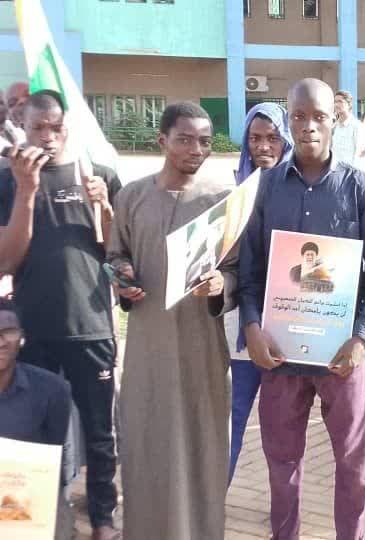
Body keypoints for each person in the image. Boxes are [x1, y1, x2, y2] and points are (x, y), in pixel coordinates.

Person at [238, 78, 365, 540]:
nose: (308, 126)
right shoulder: (265, 188)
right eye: (299, 116)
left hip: (340, 354)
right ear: (288, 120)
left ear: (334, 121)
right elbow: (250, 271)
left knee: (353, 462)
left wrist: (362, 338)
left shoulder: (360, 189)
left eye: (319, 117)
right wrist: (252, 328)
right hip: (280, 355)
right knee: (281, 463)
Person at [107, 102, 235, 539]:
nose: (196, 149)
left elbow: (239, 271)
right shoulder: (131, 197)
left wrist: (222, 284)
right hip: (148, 347)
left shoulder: (222, 202)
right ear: (162, 141)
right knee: (147, 442)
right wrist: (122, 276)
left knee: (202, 446)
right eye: (185, 139)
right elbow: (115, 256)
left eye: (204, 141)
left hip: (201, 348)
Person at [0, 90, 121, 540]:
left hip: (91, 327)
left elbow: (117, 254)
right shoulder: (8, 179)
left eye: (56, 127)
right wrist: (27, 191)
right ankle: (34, 520)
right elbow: (7, 260)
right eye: (38, 128)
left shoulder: (99, 174)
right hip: (33, 330)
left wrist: (104, 207)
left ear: (67, 127)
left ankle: (103, 518)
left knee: (100, 432)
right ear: (22, 126)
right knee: (33, 433)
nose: (48, 137)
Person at [225, 102, 293, 484]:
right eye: (255, 138)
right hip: (242, 329)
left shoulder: (301, 195)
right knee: (232, 417)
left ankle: (283, 506)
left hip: (288, 327)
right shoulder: (234, 195)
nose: (263, 147)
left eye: (272, 138)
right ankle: (213, 498)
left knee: (282, 426)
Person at [0, 297, 75, 540]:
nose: (0, 342)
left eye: (8, 332)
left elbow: (54, 454)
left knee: (57, 522)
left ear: (21, 337)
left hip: (24, 495)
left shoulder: (52, 390)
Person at [332, 90, 360, 166]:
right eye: (335, 102)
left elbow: (359, 154)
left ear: (349, 104)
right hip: (334, 168)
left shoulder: (356, 126)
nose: (336, 105)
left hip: (349, 170)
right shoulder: (334, 126)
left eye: (340, 101)